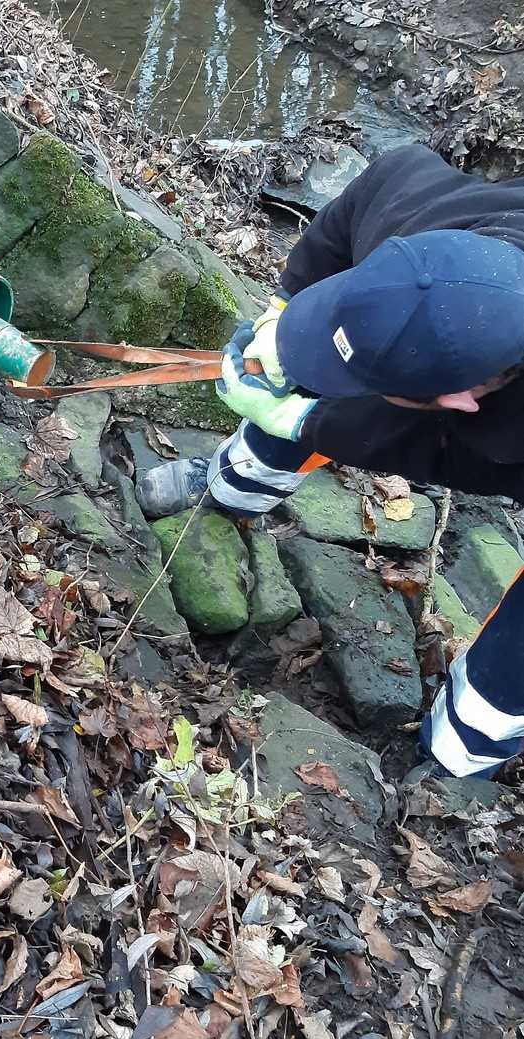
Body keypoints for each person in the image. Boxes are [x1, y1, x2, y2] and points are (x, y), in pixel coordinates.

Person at [136, 144, 524, 781]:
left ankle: (463, 750)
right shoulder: (415, 204)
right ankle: (233, 489)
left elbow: (445, 453)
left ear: (460, 400)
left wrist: (306, 422)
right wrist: (285, 318)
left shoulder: (501, 431)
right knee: (315, 380)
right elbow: (345, 220)